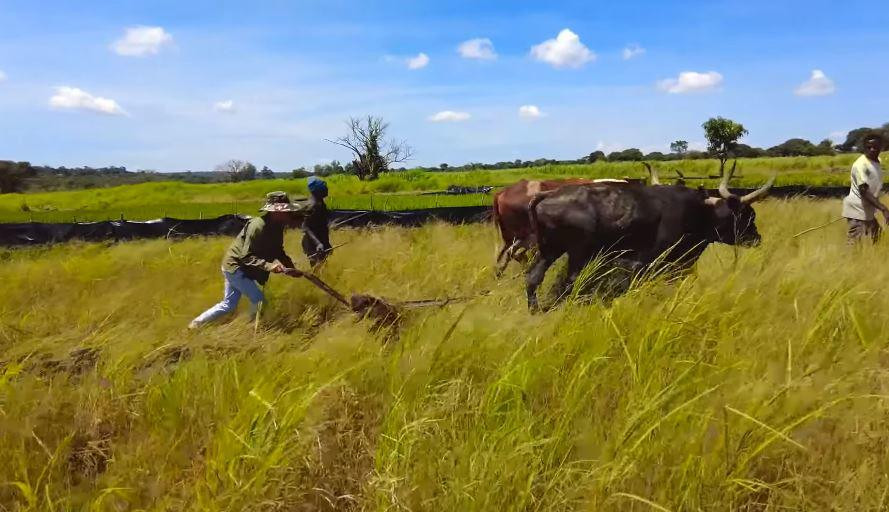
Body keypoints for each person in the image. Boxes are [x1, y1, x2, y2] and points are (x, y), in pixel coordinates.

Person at [189, 191, 305, 328]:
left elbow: (278, 250)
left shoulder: (277, 227)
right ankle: (251, 329)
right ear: (274, 212)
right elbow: (246, 256)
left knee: (229, 304)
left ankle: (195, 325)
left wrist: (290, 268)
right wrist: (269, 266)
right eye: (285, 211)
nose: (288, 215)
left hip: (240, 267)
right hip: (235, 267)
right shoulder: (258, 226)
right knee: (259, 300)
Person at [843, 133, 887, 244]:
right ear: (864, 147)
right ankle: (849, 260)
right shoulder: (860, 165)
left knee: (877, 234)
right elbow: (863, 190)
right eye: (869, 147)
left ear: (881, 147)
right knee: (855, 241)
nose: (872, 149)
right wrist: (883, 208)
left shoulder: (878, 161)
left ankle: (873, 258)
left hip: (867, 207)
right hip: (857, 207)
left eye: (875, 147)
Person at [302, 176, 333, 267]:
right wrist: (318, 243)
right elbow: (305, 227)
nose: (326, 189)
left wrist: (326, 243)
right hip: (313, 243)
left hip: (321, 240)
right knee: (317, 268)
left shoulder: (321, 203)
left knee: (323, 266)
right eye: (323, 188)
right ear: (317, 191)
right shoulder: (313, 206)